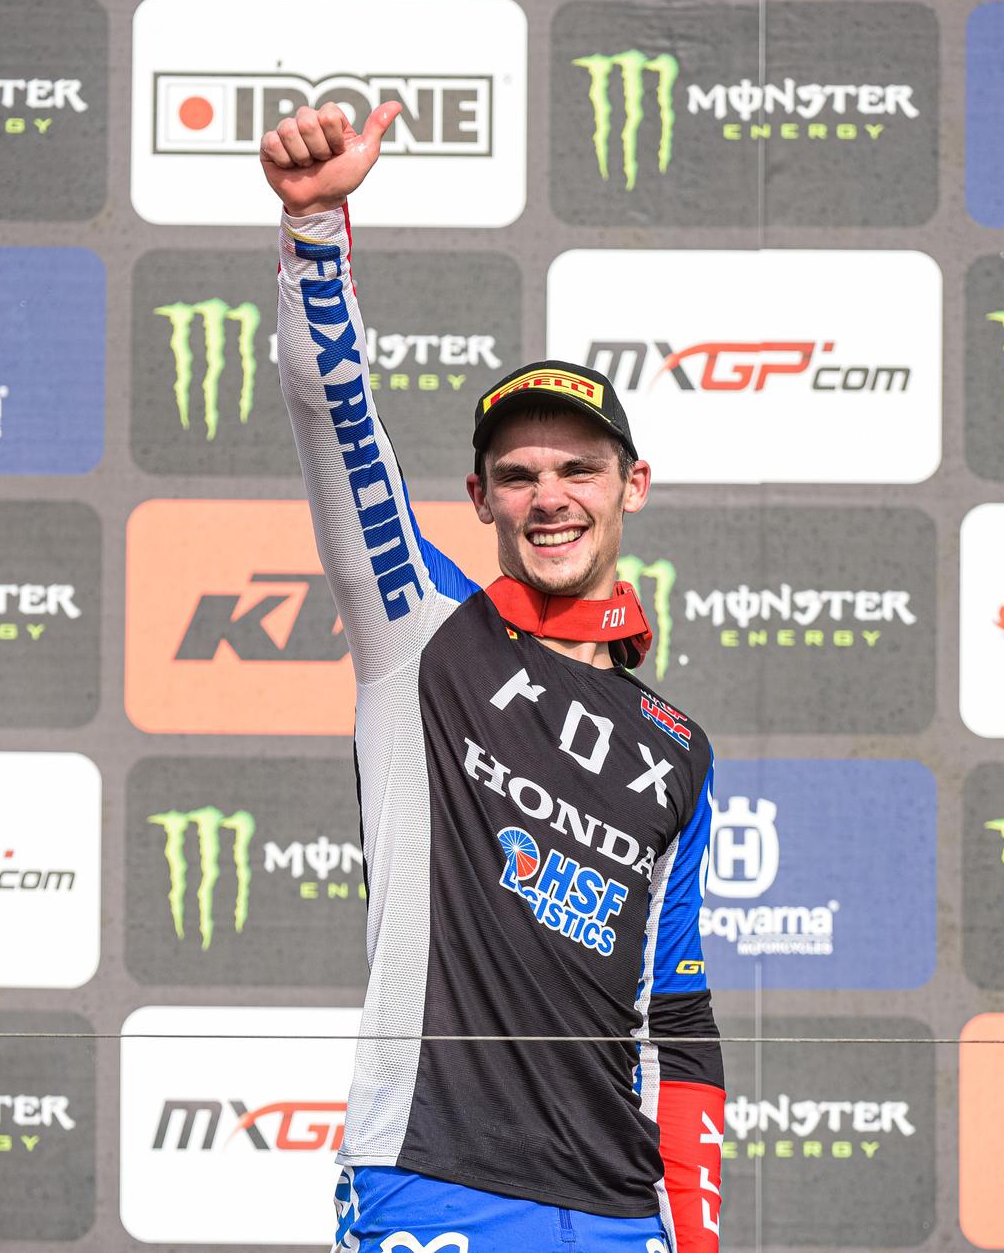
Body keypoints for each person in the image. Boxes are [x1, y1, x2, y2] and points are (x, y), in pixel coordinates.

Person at [262, 100, 725, 1253]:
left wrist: (696, 1234)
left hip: (620, 1211)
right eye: (517, 474)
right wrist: (314, 233)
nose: (549, 496)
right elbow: (337, 418)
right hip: (434, 1178)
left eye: (579, 468)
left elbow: (678, 1011)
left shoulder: (678, 748)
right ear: (480, 499)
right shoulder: (421, 629)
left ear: (632, 486)